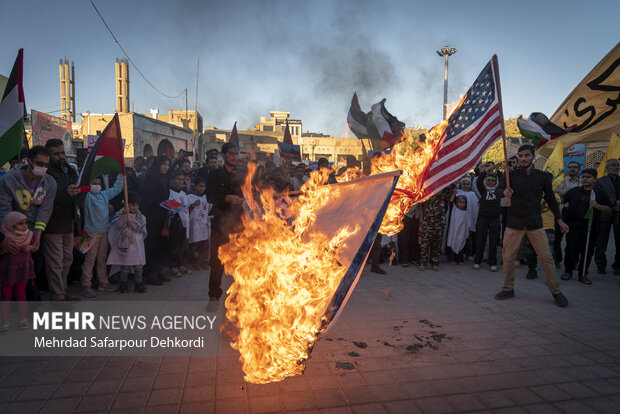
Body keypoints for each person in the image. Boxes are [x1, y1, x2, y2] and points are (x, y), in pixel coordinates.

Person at [495, 144, 569, 307]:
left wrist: (559, 219)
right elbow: (499, 189)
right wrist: (504, 192)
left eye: (526, 155)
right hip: (514, 223)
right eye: (520, 156)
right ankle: (508, 288)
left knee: (546, 258)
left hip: (535, 223)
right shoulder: (510, 176)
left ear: (533, 156)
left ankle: (555, 291)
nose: (523, 159)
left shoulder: (543, 176)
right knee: (508, 258)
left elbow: (551, 199)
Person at [206, 143, 245, 310]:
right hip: (220, 224)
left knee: (243, 261)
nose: (234, 157)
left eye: (236, 154)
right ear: (223, 155)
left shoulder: (243, 175)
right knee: (217, 262)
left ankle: (243, 297)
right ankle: (214, 296)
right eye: (231, 154)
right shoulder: (215, 175)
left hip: (240, 224)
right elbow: (209, 197)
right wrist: (227, 198)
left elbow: (250, 194)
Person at [44, 139, 81, 301]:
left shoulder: (69, 170)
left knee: (67, 259)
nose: (60, 156)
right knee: (55, 262)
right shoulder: (46, 172)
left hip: (68, 220)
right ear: (49, 155)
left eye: (62, 152)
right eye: (56, 154)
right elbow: (45, 195)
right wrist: (64, 192)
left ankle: (62, 291)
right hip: (52, 222)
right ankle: (58, 295)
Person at [562, 169, 611, 284]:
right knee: (570, 250)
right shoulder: (574, 191)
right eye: (583, 177)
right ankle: (568, 271)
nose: (585, 179)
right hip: (573, 227)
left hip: (591, 228)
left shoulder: (599, 193)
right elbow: (562, 200)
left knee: (587, 251)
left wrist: (597, 205)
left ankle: (583, 273)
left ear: (595, 179)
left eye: (588, 177)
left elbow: (609, 209)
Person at [79, 175, 124, 298]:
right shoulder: (86, 197)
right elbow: (79, 189)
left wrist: (120, 174)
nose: (96, 186)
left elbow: (117, 188)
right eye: (93, 183)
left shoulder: (104, 195)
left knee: (102, 258)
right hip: (91, 233)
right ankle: (86, 284)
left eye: (98, 183)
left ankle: (103, 282)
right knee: (90, 259)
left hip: (104, 232)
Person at [107, 191, 148, 293]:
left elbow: (140, 229)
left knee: (138, 266)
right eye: (132, 205)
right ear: (126, 204)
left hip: (137, 244)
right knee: (125, 266)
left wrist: (132, 224)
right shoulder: (122, 214)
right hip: (127, 245)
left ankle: (138, 283)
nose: (135, 207)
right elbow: (119, 226)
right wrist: (124, 218)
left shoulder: (141, 217)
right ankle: (123, 284)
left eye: (137, 205)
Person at [0, 212, 36, 330]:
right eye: (20, 224)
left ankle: (23, 319)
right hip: (7, 271)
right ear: (11, 225)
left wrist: (30, 248)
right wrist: (5, 251)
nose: (25, 226)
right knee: (6, 295)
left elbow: (35, 246)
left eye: (25, 223)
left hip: (22, 271)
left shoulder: (29, 235)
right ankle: (5, 322)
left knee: (21, 294)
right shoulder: (5, 238)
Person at [140, 155, 172, 285]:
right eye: (164, 164)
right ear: (158, 165)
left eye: (168, 165)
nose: (166, 167)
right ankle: (150, 273)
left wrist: (170, 204)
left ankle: (158, 271)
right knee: (151, 246)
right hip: (152, 216)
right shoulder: (151, 177)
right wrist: (162, 203)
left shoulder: (165, 178)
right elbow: (148, 197)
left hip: (162, 216)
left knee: (160, 245)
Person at [594, 158, 620, 275]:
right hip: (605, 214)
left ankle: (617, 265)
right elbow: (599, 197)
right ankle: (601, 264)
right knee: (601, 241)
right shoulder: (601, 181)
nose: (616, 167)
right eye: (613, 165)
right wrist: (613, 204)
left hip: (618, 215)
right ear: (607, 168)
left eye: (617, 165)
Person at [163, 170, 191, 277]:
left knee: (182, 245)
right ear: (172, 180)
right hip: (175, 222)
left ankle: (181, 264)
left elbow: (187, 207)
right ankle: (172, 267)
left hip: (184, 222)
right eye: (178, 179)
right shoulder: (170, 193)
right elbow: (169, 205)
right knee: (174, 245)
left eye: (182, 180)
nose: (180, 182)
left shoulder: (184, 194)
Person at [419, 185, 453, 271]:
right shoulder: (427, 193)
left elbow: (450, 192)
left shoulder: (444, 193)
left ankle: (435, 262)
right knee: (425, 243)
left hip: (439, 222)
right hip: (428, 222)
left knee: (437, 243)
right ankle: (423, 263)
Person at [554, 161, 581, 265]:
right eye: (570, 167)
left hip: (576, 213)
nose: (572, 169)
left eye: (575, 167)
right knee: (557, 238)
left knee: (573, 240)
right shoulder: (560, 181)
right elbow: (555, 195)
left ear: (578, 169)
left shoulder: (582, 182)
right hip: (562, 212)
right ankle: (557, 259)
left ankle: (572, 261)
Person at [474, 171, 502, 271]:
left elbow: (504, 181)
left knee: (493, 241)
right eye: (489, 180)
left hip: (494, 219)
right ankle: (478, 260)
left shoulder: (499, 192)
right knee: (480, 240)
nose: (490, 182)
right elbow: (478, 181)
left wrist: (499, 172)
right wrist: (485, 172)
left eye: (493, 181)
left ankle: (492, 262)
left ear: (496, 182)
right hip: (483, 218)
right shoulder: (483, 191)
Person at [187, 177, 212, 269]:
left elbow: (209, 210)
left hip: (203, 225)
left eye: (204, 186)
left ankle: (202, 262)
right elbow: (185, 211)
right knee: (194, 245)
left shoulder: (206, 198)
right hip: (194, 225)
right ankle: (193, 263)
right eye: (200, 186)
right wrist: (193, 205)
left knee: (203, 245)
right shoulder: (190, 197)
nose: (202, 188)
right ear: (195, 187)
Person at [456, 176, 479, 260]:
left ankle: (469, 253)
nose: (466, 185)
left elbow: (475, 208)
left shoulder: (472, 194)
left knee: (468, 237)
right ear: (461, 185)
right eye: (464, 184)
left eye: (467, 184)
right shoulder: (458, 193)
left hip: (469, 219)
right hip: (459, 219)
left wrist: (474, 219)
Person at [446, 195, 470, 265]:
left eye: (463, 202)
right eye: (460, 202)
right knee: (453, 244)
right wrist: (453, 194)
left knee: (461, 245)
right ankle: (451, 259)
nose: (461, 204)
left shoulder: (466, 213)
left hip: (462, 234)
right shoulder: (454, 209)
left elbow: (468, 224)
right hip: (454, 232)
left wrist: (468, 232)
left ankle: (459, 259)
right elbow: (450, 202)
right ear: (456, 202)